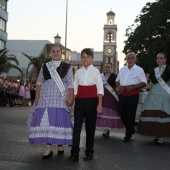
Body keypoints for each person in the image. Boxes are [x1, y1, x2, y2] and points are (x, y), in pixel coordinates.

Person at [28, 44, 74, 159]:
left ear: (61, 52)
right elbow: (39, 82)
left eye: (58, 51)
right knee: (47, 120)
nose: (55, 53)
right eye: (53, 51)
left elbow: (70, 84)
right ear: (50, 53)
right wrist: (37, 97)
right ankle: (48, 148)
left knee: (59, 118)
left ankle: (60, 144)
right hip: (46, 96)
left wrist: (71, 97)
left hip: (61, 96)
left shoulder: (67, 67)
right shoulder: (45, 66)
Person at [67, 48, 104, 162]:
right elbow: (75, 88)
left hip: (92, 102)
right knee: (77, 128)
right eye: (83, 57)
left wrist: (99, 104)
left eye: (88, 57)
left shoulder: (96, 71)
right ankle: (75, 153)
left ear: (92, 58)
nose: (85, 59)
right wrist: (72, 101)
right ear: (81, 58)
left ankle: (89, 152)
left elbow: (100, 89)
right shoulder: (78, 72)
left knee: (90, 128)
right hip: (79, 102)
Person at [137, 52, 170, 144]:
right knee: (154, 114)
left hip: (165, 94)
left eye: (161, 58)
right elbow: (151, 84)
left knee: (162, 114)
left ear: (165, 59)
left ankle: (161, 137)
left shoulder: (168, 69)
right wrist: (140, 87)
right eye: (157, 58)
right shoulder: (154, 70)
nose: (159, 60)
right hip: (153, 95)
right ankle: (157, 134)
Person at [115, 52, 147, 142]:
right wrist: (119, 86)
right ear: (126, 59)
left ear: (135, 59)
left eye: (132, 58)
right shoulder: (122, 69)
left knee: (131, 114)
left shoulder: (139, 70)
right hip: (123, 93)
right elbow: (117, 80)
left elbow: (144, 82)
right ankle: (130, 128)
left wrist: (133, 87)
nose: (130, 59)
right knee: (122, 112)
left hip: (133, 93)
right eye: (128, 58)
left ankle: (128, 134)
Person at [96, 63, 124, 138]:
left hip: (111, 96)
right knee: (103, 111)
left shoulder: (115, 76)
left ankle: (107, 129)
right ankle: (105, 129)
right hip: (102, 95)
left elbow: (117, 85)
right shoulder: (101, 75)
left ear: (111, 68)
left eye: (109, 67)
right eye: (106, 67)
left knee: (109, 111)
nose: (107, 68)